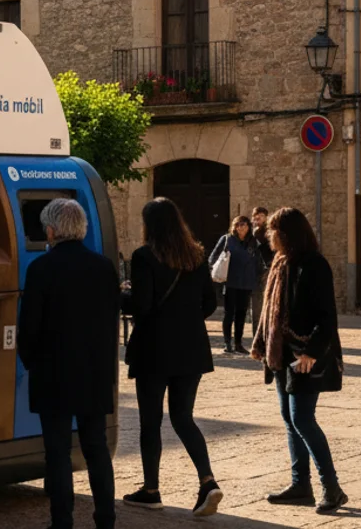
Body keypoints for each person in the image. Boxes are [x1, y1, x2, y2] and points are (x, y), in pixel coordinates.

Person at [19, 198, 119, 529]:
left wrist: (30, 360)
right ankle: (106, 517)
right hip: (95, 371)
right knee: (96, 448)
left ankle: (62, 521)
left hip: (54, 372)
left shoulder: (41, 269)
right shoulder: (105, 268)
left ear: (50, 229)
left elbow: (30, 325)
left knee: (58, 452)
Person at [121, 198, 222, 518]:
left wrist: (122, 295)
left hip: (154, 349)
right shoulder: (196, 255)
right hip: (191, 347)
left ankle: (151, 490)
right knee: (183, 417)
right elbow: (208, 303)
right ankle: (207, 481)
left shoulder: (144, 256)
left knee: (150, 420)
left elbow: (143, 306)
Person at [251, 208, 347, 513]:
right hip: (281, 354)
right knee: (291, 420)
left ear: (288, 234)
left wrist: (311, 352)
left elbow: (327, 317)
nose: (269, 235)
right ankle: (300, 485)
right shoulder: (282, 263)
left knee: (303, 419)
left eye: (274, 230)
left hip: (305, 355)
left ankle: (331, 487)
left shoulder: (314, 265)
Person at [209, 216, 261, 353]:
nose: (240, 227)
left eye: (243, 225)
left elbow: (259, 260)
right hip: (230, 282)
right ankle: (227, 343)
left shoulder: (253, 242)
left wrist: (257, 276)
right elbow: (213, 257)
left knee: (241, 314)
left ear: (248, 226)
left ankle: (238, 343)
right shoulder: (227, 239)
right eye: (238, 225)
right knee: (229, 313)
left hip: (246, 282)